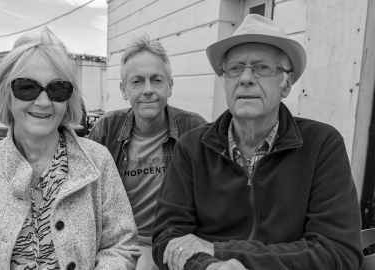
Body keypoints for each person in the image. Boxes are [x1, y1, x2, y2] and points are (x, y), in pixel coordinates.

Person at [152, 14, 362, 270]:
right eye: (235, 68)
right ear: (225, 81)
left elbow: (339, 252)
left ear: (285, 85)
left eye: (261, 68)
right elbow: (168, 238)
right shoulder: (192, 147)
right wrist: (208, 265)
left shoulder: (322, 145)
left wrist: (225, 253)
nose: (246, 78)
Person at [0, 28, 139, 270]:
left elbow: (122, 245)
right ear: (6, 93)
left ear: (69, 98)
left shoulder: (98, 161)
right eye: (27, 87)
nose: (42, 102)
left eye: (57, 89)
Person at [88, 36, 206, 269]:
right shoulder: (106, 129)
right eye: (137, 81)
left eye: (157, 80)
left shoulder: (195, 129)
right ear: (123, 89)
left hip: (177, 242)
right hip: (121, 244)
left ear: (170, 86)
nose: (148, 90)